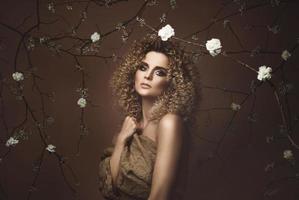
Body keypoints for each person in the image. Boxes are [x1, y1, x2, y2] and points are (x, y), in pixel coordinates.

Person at [98, 33, 201, 200]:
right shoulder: (130, 125)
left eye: (159, 72)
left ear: (172, 82)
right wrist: (122, 139)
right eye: (143, 67)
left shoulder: (169, 123)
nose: (148, 76)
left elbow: (160, 196)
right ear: (134, 72)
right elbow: (113, 186)